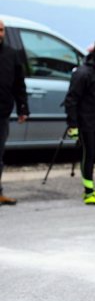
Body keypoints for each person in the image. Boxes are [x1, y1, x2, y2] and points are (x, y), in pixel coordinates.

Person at [63, 38, 95, 205]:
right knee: (89, 154)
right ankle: (89, 192)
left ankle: (90, 190)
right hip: (83, 120)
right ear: (94, 52)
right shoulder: (83, 73)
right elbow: (71, 99)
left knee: (92, 154)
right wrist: (73, 125)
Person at [0, 19, 29, 206]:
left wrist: (22, 107)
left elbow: (19, 83)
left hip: (2, 112)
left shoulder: (11, 54)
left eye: (1, 30)